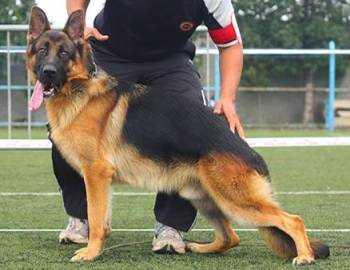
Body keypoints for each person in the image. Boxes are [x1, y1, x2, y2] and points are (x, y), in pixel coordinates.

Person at [56, 0, 244, 254]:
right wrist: (78, 22)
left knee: (191, 127)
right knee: (70, 127)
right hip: (111, 53)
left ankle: (170, 225)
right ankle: (82, 219)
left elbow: (230, 44)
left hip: (170, 62)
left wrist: (227, 98)